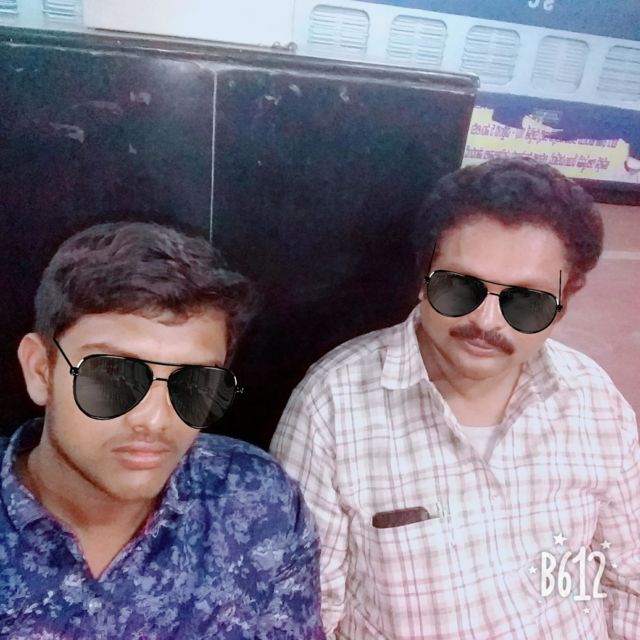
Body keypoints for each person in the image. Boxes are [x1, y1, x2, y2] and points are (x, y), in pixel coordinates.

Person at [271, 158, 640, 639]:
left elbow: (628, 575)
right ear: (423, 276)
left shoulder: (592, 398)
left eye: (525, 301)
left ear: (565, 301)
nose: (486, 322)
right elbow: (302, 617)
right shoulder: (333, 408)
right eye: (459, 287)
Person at [0, 222, 323, 639]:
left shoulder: (256, 501)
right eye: (113, 376)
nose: (154, 420)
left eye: (193, 383)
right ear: (41, 370)